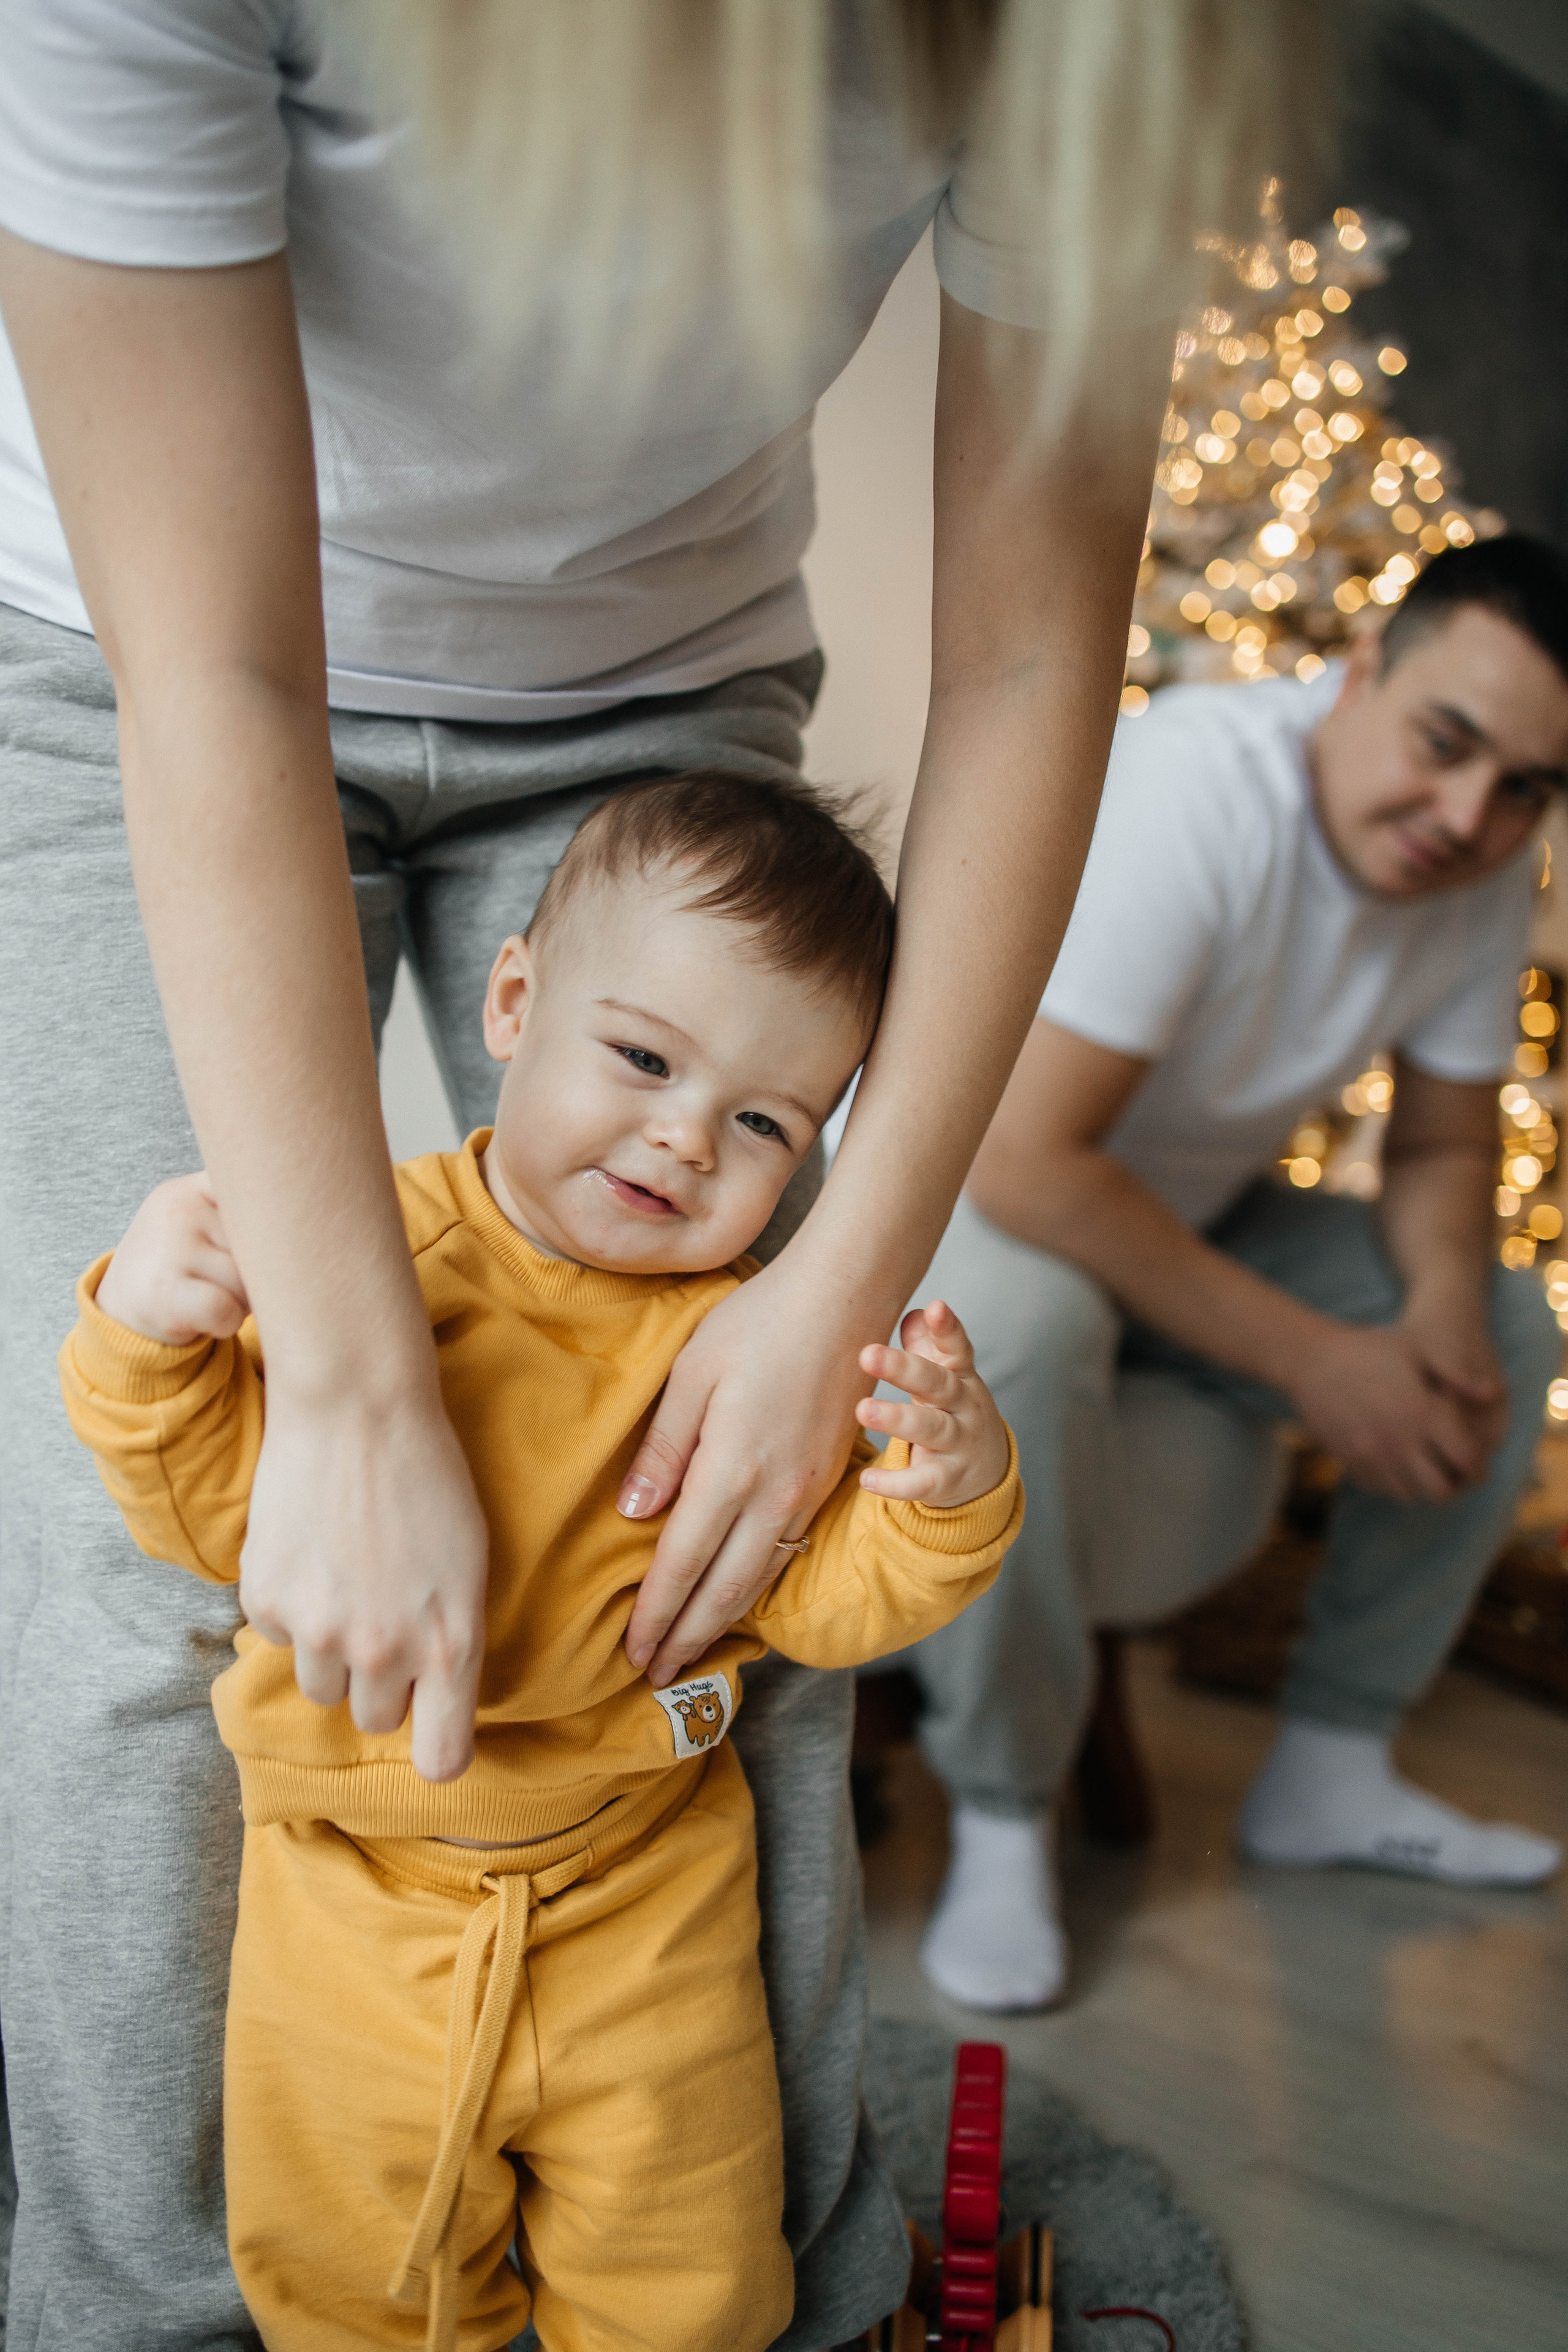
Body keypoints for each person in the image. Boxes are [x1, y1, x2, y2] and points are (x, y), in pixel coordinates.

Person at [0, 3, 1304, 2340]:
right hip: (131, 662)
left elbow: (1028, 653)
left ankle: (760, 2291)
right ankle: (149, 2303)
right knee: (142, 1570)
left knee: (727, 1500)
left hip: (651, 702)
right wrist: (364, 1400)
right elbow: (226, 675)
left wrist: (830, 1304)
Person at [61, 775, 1022, 2352]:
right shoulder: (365, 1258)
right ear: (512, 1001)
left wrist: (939, 1492)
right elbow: (213, 1514)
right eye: (643, 1058)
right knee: (353, 2279)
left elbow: (822, 1597)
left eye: (764, 1122)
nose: (680, 1137)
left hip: (641, 1899)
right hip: (349, 1902)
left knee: (687, 2283)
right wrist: (149, 1339)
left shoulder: (744, 1355)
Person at [909, 535, 1568, 2013]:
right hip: (964, 1204)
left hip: (1176, 1215)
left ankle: (1332, 1759)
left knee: (1514, 1330)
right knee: (1017, 1319)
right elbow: (1022, 1158)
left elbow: (1446, 1149)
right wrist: (1315, 1360)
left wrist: (1438, 1317)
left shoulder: (1473, 859)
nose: (1468, 816)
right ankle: (1004, 1808)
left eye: (1524, 785)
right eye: (1444, 743)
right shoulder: (1199, 794)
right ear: (1354, 677)